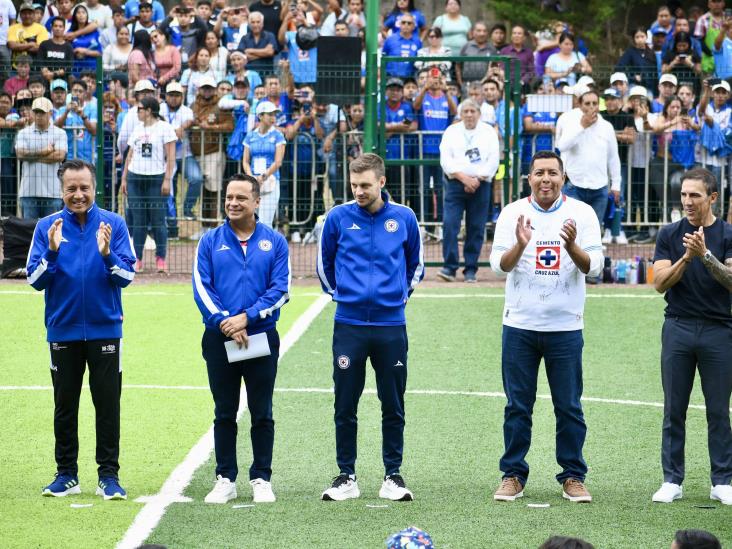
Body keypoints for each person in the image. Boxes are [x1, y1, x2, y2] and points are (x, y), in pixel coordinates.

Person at [489, 150, 602, 504]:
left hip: (565, 327)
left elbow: (593, 266)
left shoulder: (581, 213)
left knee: (568, 405)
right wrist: (520, 245)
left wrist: (571, 246)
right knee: (517, 405)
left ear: (563, 177)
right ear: (529, 178)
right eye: (539, 173)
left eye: (553, 172)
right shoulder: (512, 213)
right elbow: (498, 266)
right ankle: (512, 474)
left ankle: (572, 476)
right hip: (519, 325)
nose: (546, 179)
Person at [26, 159, 135, 501]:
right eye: (71, 189)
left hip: (106, 333)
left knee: (107, 406)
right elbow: (34, 280)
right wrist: (52, 252)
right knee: (65, 406)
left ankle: (109, 476)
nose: (78, 195)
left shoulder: (114, 225)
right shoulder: (47, 227)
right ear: (62, 190)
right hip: (63, 334)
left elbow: (127, 277)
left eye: (84, 188)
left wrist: (107, 256)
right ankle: (66, 474)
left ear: (94, 188)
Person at [317, 152, 424, 502]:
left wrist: (396, 297)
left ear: (382, 182)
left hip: (391, 325)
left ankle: (392, 475)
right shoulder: (337, 218)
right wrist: (344, 295)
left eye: (365, 185)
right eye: (354, 185)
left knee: (393, 403)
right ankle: (346, 475)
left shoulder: (405, 217)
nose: (359, 191)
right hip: (348, 325)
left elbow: (415, 265)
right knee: (344, 404)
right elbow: (325, 265)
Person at [192, 173, 290, 505]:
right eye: (229, 197)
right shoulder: (209, 241)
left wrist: (247, 317)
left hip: (260, 337)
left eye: (241, 198)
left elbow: (280, 290)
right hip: (220, 339)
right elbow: (202, 288)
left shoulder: (275, 242)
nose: (233, 203)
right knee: (224, 411)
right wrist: (226, 323)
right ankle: (225, 478)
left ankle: (261, 477)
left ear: (256, 202)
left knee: (262, 411)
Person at [651, 168, 732, 506]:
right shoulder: (669, 234)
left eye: (695, 195)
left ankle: (722, 480)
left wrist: (706, 255)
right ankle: (672, 480)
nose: (687, 201)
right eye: (684, 194)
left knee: (718, 409)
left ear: (712, 197)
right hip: (678, 327)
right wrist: (687, 256)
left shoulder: (727, 234)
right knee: (674, 408)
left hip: (720, 330)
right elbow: (659, 282)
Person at [437, 98, 499, 282]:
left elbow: (493, 159)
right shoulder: (452, 131)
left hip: (481, 185)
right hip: (456, 183)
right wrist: (463, 178)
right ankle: (449, 267)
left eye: (473, 111)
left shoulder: (488, 132)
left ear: (479, 114)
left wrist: (478, 178)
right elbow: (445, 159)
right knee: (450, 224)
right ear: (460, 114)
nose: (470, 115)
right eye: (466, 111)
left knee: (476, 227)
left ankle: (470, 269)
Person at [120, 96, 177, 273]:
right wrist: (124, 178)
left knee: (158, 220)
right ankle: (137, 258)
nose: (138, 112)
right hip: (135, 178)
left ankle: (161, 258)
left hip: (156, 178)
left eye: (140, 109)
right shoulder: (137, 129)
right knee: (138, 221)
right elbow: (130, 155)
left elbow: (171, 157)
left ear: (150, 110)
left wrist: (167, 180)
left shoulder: (165, 128)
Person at [555, 89, 621, 226]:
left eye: (594, 103)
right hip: (574, 185)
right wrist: (582, 127)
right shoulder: (571, 123)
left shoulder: (607, 127)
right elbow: (561, 146)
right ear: (580, 105)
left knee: (594, 231)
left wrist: (616, 185)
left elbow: (613, 158)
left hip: (600, 187)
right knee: (571, 230)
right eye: (587, 103)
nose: (591, 107)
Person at [413, 68, 456, 223]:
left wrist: (447, 91)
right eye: (432, 78)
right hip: (423, 150)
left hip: (443, 151)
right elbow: (416, 107)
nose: (435, 81)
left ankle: (442, 224)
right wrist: (425, 88)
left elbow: (454, 110)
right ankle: (424, 223)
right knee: (423, 189)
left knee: (441, 188)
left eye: (438, 78)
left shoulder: (448, 96)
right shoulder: (423, 96)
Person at [15, 97, 68, 218]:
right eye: (36, 112)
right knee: (29, 233)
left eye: (42, 112)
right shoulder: (24, 133)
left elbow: (59, 156)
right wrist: (44, 152)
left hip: (52, 192)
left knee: (53, 231)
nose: (39, 115)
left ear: (50, 113)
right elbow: (20, 154)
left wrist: (31, 157)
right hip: (28, 191)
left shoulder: (60, 133)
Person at [161, 81, 203, 221]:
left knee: (196, 178)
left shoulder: (186, 110)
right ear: (166, 96)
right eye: (171, 95)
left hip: (185, 154)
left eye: (177, 95)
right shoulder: (160, 109)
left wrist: (183, 127)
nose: (174, 98)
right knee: (169, 187)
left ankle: (187, 209)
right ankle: (171, 221)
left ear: (182, 96)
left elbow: (191, 120)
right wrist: (174, 131)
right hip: (165, 157)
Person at [242, 101, 285, 228]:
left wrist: (263, 177)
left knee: (265, 222)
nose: (273, 118)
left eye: (274, 115)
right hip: (253, 181)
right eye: (269, 114)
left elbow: (278, 161)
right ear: (260, 116)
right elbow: (245, 161)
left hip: (270, 180)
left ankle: (266, 247)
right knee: (250, 220)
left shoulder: (278, 135)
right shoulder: (250, 136)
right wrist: (251, 178)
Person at [381, 12, 421, 79]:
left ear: (413, 26)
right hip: (391, 78)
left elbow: (419, 61)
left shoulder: (417, 42)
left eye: (409, 23)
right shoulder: (390, 39)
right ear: (399, 24)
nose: (406, 25)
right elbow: (384, 57)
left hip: (410, 80)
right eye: (403, 22)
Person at [456, 21, 494, 91]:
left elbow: (494, 67)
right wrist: (461, 84)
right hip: (467, 85)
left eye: (484, 31)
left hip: (485, 86)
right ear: (473, 32)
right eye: (479, 31)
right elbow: (458, 66)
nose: (482, 33)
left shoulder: (492, 49)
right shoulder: (466, 46)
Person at [236, 11, 277, 76]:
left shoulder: (270, 36)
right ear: (249, 24)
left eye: (258, 22)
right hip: (249, 74)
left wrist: (250, 51)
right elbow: (242, 56)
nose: (255, 25)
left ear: (262, 23)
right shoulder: (244, 38)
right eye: (253, 22)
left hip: (266, 73)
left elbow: (270, 52)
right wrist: (264, 53)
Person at [37, 17, 75, 82]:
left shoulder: (68, 47)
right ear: (52, 27)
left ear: (64, 29)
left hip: (62, 81)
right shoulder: (44, 44)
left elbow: (69, 67)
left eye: (60, 26)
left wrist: (53, 74)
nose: (58, 28)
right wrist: (47, 74)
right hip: (44, 79)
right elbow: (40, 62)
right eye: (55, 26)